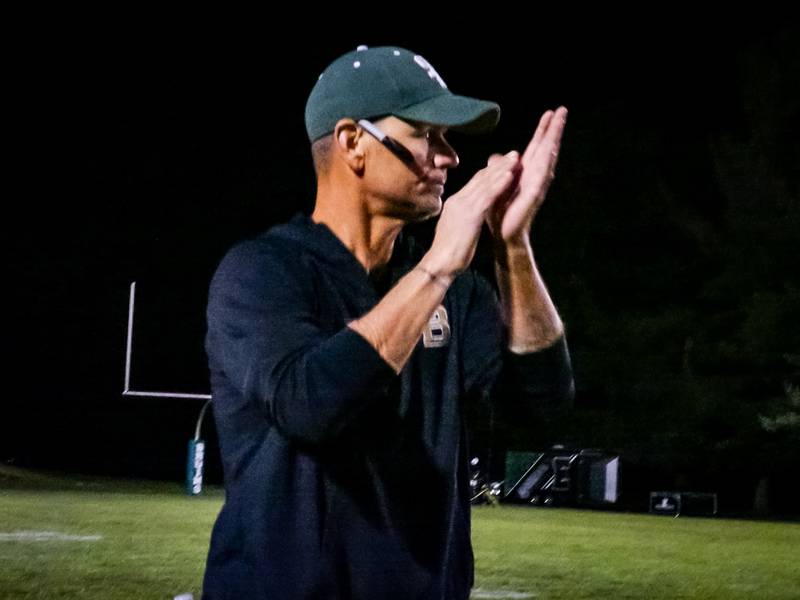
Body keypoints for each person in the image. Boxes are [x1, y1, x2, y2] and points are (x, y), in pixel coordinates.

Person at [201, 45, 575, 600]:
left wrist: (513, 247)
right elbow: (310, 405)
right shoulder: (263, 272)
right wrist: (438, 265)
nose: (449, 157)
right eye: (428, 134)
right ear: (353, 142)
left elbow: (545, 407)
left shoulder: (455, 289)